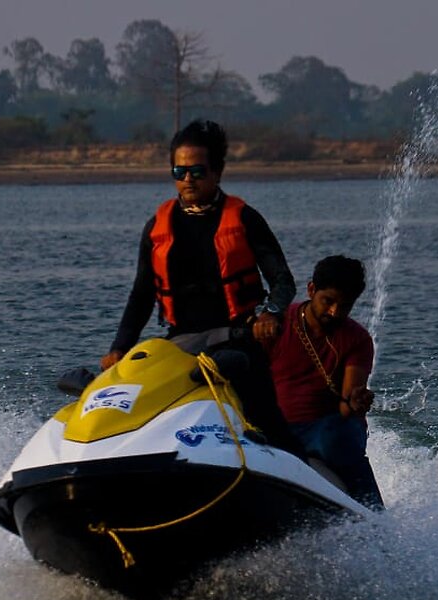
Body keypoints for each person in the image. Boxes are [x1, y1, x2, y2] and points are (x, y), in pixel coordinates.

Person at [100, 118, 298, 449]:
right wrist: (119, 347)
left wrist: (270, 314)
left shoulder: (245, 219)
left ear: (217, 173)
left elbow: (283, 280)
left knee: (265, 418)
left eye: (197, 171)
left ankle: (302, 477)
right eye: (180, 172)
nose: (188, 179)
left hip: (240, 340)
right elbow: (141, 295)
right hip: (180, 345)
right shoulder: (156, 227)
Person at [267, 255, 384, 510]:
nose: (335, 312)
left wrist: (356, 401)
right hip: (275, 426)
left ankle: (376, 521)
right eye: (328, 301)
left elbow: (345, 407)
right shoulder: (276, 323)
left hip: (324, 430)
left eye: (344, 306)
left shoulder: (356, 339)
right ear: (311, 290)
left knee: (336, 438)